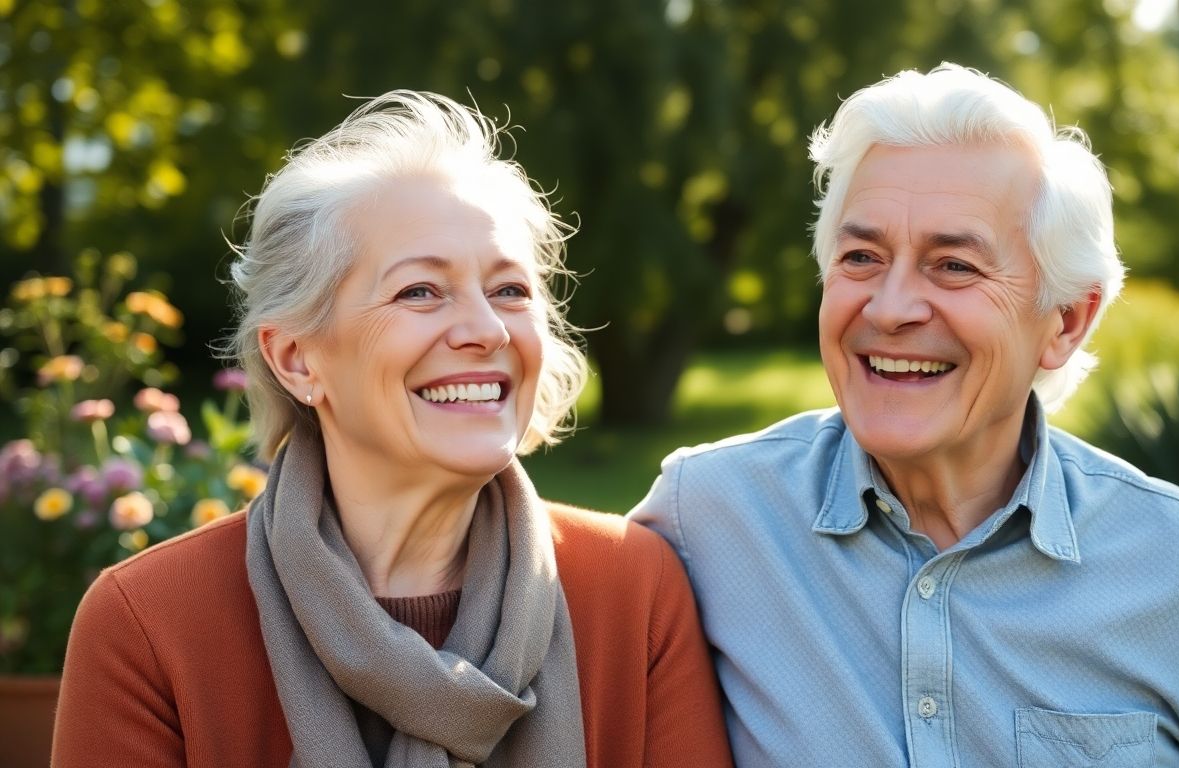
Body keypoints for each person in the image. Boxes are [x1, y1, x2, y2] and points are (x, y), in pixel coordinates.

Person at [631, 63, 1179, 766]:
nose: (890, 308)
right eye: (861, 257)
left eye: (954, 266)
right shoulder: (710, 515)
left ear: (1065, 321)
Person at [53, 91, 732, 767]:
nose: (486, 330)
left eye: (509, 291)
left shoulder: (633, 591)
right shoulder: (148, 625)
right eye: (420, 292)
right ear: (296, 358)